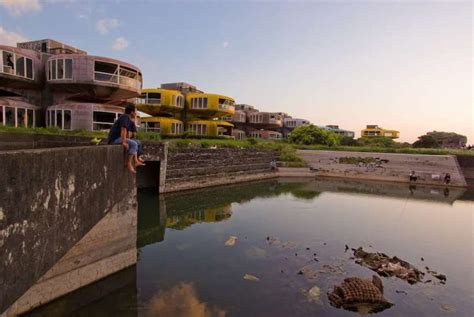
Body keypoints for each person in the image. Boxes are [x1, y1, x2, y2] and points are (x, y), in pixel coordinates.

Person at [107, 105, 145, 173]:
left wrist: (126, 140)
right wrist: (124, 142)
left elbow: (128, 133)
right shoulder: (125, 117)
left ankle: (135, 161)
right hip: (114, 139)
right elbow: (123, 129)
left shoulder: (127, 119)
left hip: (118, 138)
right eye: (135, 111)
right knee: (134, 144)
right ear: (131, 112)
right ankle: (129, 164)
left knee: (136, 142)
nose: (136, 113)